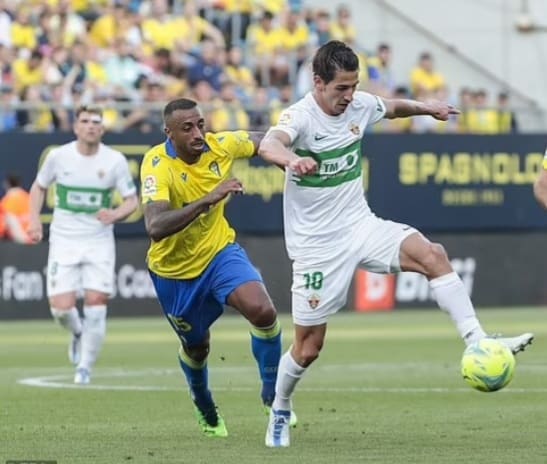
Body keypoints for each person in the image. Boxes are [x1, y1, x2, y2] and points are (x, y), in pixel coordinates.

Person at [258, 40, 535, 448]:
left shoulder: (358, 105)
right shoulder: (300, 116)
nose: (349, 95)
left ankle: (478, 340)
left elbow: (390, 106)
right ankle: (280, 407)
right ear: (317, 82)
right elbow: (269, 143)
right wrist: (290, 160)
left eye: (354, 86)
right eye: (341, 88)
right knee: (309, 347)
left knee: (432, 255)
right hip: (317, 246)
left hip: (359, 224)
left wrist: (428, 108)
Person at [139, 98, 313, 438]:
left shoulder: (221, 145)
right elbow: (155, 227)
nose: (197, 133)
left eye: (200, 124)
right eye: (187, 128)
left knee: (262, 310)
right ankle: (203, 403)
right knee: (197, 347)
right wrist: (209, 198)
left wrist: (290, 159)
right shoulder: (157, 164)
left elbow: (266, 141)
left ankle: (273, 397)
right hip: (174, 272)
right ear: (169, 133)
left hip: (219, 253)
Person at [28, 105, 139, 385]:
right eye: (85, 121)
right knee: (61, 308)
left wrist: (115, 214)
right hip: (64, 239)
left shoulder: (114, 161)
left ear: (102, 129)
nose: (90, 126)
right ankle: (78, 332)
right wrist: (34, 221)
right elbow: (39, 187)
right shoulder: (58, 156)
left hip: (98, 240)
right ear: (76, 127)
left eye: (96, 122)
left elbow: (132, 200)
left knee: (97, 302)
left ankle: (85, 368)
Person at [1, 173, 31, 244]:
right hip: (33, 238)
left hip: (18, 242)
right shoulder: (28, 197)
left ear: (6, 184)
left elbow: (8, 224)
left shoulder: (7, 201)